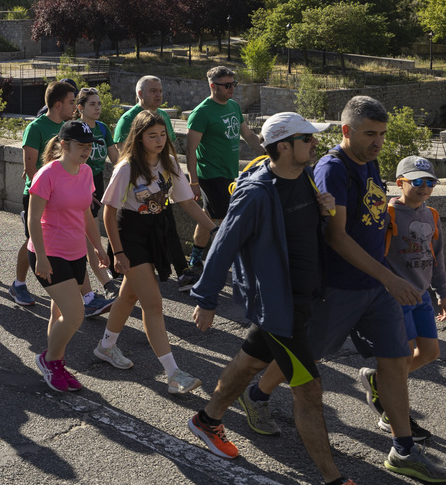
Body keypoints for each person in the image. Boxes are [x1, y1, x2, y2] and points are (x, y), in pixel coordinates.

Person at [245, 97, 445, 481]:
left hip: (376, 285)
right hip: (339, 286)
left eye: (383, 134)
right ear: (346, 131)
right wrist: (390, 277)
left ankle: (403, 449)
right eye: (370, 134)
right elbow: (336, 237)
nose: (379, 142)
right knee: (307, 359)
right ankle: (257, 395)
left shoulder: (369, 159)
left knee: (396, 360)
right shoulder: (332, 169)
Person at [186, 113, 352, 484]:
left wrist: (324, 212)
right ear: (284, 146)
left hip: (302, 296)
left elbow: (301, 235)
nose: (314, 144)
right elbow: (224, 243)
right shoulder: (258, 191)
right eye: (306, 139)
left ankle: (207, 420)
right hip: (279, 304)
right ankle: (333, 478)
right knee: (309, 389)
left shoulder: (306, 179)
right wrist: (206, 298)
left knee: (249, 363)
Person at [93, 110, 213, 395]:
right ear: (139, 137)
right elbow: (108, 212)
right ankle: (173, 374)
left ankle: (106, 347)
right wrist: (118, 252)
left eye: (162, 135)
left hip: (156, 231)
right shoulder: (126, 169)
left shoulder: (169, 163)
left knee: (129, 294)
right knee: (153, 303)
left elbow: (187, 202)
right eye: (152, 136)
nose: (159, 141)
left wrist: (218, 231)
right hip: (129, 235)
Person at [27, 121, 109, 392]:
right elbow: (33, 218)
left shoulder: (85, 172)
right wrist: (40, 256)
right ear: (64, 145)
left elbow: (86, 213)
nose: (87, 151)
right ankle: (49, 360)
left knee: (60, 312)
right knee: (75, 315)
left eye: (89, 146)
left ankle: (56, 362)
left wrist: (97, 246)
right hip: (49, 253)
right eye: (81, 146)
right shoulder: (47, 174)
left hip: (76, 254)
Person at [377, 156, 446, 442]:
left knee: (430, 353)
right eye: (417, 181)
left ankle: (381, 387)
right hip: (394, 297)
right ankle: (394, 416)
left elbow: (437, 257)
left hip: (421, 295)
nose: (424, 187)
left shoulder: (431, 215)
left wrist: (442, 292)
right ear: (400, 182)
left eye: (430, 182)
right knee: (400, 359)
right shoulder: (387, 213)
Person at [183, 66, 265, 289]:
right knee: (222, 221)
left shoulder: (234, 106)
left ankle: (195, 260)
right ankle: (219, 265)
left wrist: (268, 156)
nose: (232, 89)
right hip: (211, 175)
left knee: (209, 217)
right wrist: (193, 182)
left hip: (230, 174)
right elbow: (191, 150)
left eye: (234, 84)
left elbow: (247, 135)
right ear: (213, 86)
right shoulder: (201, 113)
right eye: (227, 85)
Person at [112, 75, 189, 280]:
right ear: (140, 94)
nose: (158, 94)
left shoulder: (162, 115)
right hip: (135, 191)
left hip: (161, 186)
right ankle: (116, 264)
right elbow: (122, 154)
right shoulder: (128, 119)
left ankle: (181, 270)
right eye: (153, 90)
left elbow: (167, 151)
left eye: (160, 90)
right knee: (122, 225)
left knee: (168, 226)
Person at [12, 80, 77, 307]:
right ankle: (18, 284)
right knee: (33, 240)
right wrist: (52, 193)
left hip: (62, 197)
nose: (75, 107)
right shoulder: (36, 128)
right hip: (39, 195)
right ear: (58, 104)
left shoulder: (67, 128)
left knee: (58, 242)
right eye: (71, 102)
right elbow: (30, 168)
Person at [76, 86, 120, 299]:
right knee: (91, 237)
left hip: (97, 184)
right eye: (92, 104)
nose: (97, 107)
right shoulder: (75, 128)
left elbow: (116, 160)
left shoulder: (102, 129)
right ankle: (106, 282)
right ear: (80, 107)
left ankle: (100, 282)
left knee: (91, 235)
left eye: (99, 103)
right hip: (80, 183)